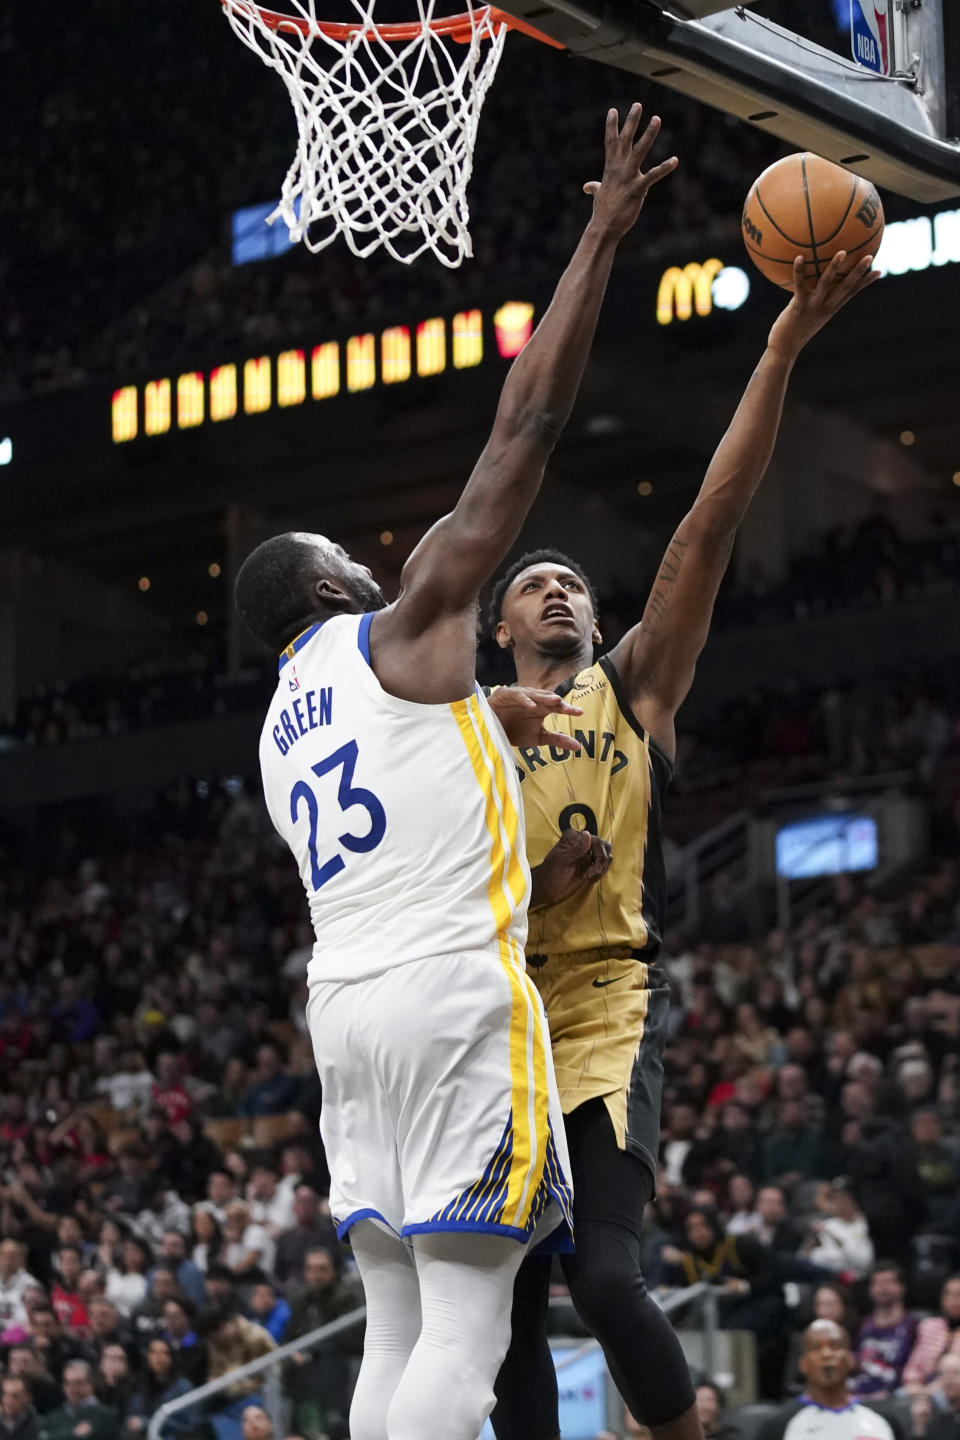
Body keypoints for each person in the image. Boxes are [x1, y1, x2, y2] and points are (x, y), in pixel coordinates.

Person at [235, 103, 681, 1440]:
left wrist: (489, 710)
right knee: (475, 1324)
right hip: (452, 1003)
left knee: (399, 1318)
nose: (376, 562)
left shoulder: (275, 727)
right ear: (327, 582)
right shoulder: (402, 617)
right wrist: (598, 239)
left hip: (346, 1022)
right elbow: (526, 428)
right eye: (348, 557)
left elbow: (402, 755)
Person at [489, 242, 878, 1440]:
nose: (558, 592)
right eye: (533, 585)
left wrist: (778, 344)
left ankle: (679, 1429)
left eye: (572, 583)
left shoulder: (635, 687)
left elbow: (712, 515)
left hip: (608, 1003)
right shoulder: (465, 730)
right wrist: (526, 882)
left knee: (602, 1279)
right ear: (498, 628)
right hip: (497, 1012)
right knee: (502, 1316)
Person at [757, 1321, 903, 1440]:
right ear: (803, 1364)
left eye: (835, 1346)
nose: (827, 1354)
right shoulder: (779, 1426)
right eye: (816, 1348)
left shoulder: (884, 1421)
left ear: (851, 1360)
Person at [284, 1250, 361, 1440]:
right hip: (306, 1368)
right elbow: (290, 1336)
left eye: (322, 1269)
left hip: (338, 1364)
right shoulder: (301, 1299)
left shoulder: (345, 1297)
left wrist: (312, 1351)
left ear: (333, 1271)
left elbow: (350, 1340)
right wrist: (294, 1352)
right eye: (310, 1269)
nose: (316, 1275)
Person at [195, 1305, 275, 1440]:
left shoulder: (255, 1337)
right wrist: (214, 1380)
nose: (212, 1342)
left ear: (222, 1326)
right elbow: (216, 1371)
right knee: (200, 1420)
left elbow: (269, 1372)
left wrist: (227, 1382)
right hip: (227, 1397)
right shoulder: (215, 1345)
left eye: (213, 1337)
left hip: (257, 1394)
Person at [851, 1262, 918, 1399]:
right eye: (877, 1283)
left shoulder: (913, 1325)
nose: (882, 1288)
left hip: (895, 1398)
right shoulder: (862, 1325)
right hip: (857, 1396)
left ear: (901, 1287)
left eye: (888, 1282)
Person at [126, 1338, 200, 1440]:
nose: (159, 1358)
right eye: (154, 1353)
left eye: (164, 1353)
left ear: (172, 1358)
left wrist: (148, 1423)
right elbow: (133, 1417)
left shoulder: (184, 1387)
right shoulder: (138, 1386)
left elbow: (189, 1427)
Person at [902, 1277, 960, 1392]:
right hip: (917, 1390)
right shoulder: (928, 1326)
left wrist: (927, 1393)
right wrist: (913, 1385)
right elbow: (913, 1366)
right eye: (947, 1294)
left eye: (958, 1294)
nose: (952, 1299)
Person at [36, 1361, 120, 1440]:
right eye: (68, 1383)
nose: (73, 1388)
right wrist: (74, 1434)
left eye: (78, 1382)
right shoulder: (53, 1417)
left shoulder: (106, 1415)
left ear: (91, 1384)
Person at [809, 1180, 875, 1280]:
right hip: (831, 1279)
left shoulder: (865, 1225)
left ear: (854, 1201)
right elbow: (815, 1259)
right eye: (836, 1200)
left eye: (844, 1199)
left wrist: (836, 1241)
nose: (840, 1204)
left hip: (859, 1279)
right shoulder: (826, 1225)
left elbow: (864, 1261)